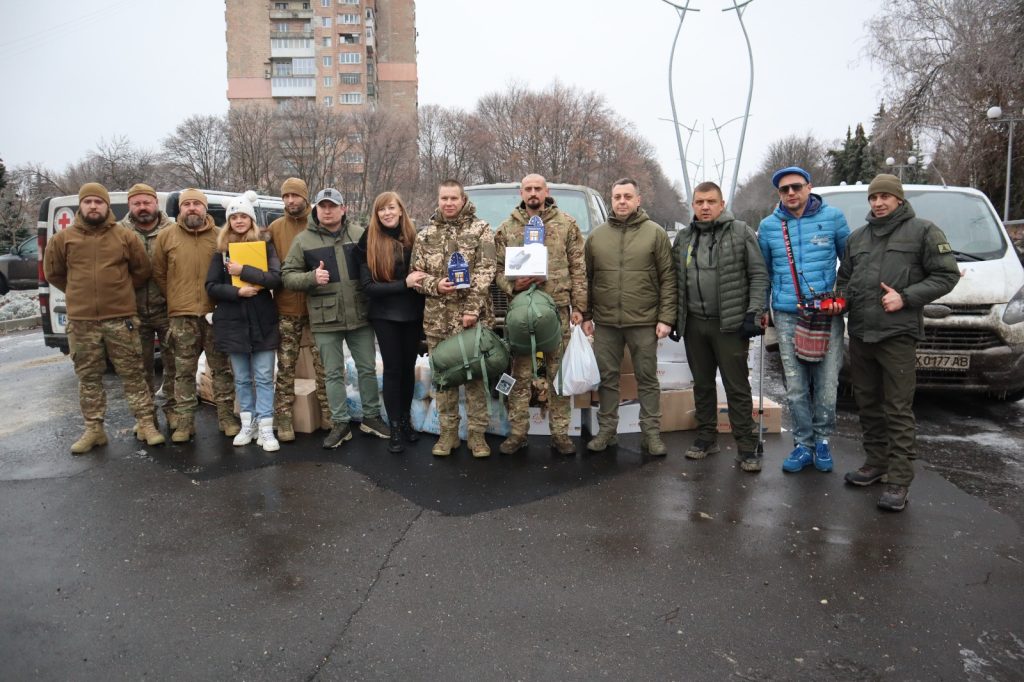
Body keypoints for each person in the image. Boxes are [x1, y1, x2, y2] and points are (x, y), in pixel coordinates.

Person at [838, 174, 959, 511]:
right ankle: (876, 464)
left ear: (899, 199)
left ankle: (899, 480)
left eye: (885, 197)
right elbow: (845, 278)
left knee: (898, 408)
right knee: (867, 402)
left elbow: (947, 275)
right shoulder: (858, 237)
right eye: (873, 197)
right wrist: (839, 300)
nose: (878, 203)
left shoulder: (923, 231)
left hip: (897, 336)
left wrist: (905, 298)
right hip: (861, 334)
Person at [42, 182, 164, 452]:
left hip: (121, 319)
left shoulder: (124, 236)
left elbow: (141, 271)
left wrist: (117, 291)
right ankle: (94, 430)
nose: (93, 206)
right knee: (88, 377)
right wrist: (79, 292)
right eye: (88, 202)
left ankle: (146, 423)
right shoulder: (63, 239)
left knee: (133, 374)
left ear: (107, 206)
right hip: (82, 322)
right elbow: (54, 274)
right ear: (81, 206)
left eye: (99, 202)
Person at [281, 187, 389, 449]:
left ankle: (371, 417)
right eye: (322, 206)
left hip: (360, 315)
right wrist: (310, 278)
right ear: (316, 209)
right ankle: (340, 423)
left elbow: (376, 265)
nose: (327, 211)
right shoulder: (303, 240)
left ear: (344, 208)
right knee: (332, 373)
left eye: (332, 206)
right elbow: (287, 275)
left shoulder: (360, 234)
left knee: (366, 368)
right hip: (325, 318)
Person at [757, 166, 850, 473]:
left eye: (796, 187)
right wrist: (762, 309)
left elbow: (850, 264)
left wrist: (843, 298)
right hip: (786, 314)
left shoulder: (833, 219)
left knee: (826, 383)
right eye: (785, 190)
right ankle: (803, 444)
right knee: (796, 386)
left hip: (825, 315)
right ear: (779, 195)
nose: (791, 193)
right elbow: (764, 274)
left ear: (809, 187)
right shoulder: (769, 226)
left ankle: (822, 441)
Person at [672, 181, 769, 472]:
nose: (705, 207)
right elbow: (674, 280)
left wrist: (754, 312)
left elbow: (758, 274)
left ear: (721, 204)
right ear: (693, 205)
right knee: (701, 385)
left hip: (729, 325)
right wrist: (674, 317)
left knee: (736, 387)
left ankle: (747, 446)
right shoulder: (684, 238)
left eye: (710, 201)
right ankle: (706, 437)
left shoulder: (740, 232)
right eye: (699, 202)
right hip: (694, 325)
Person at [582, 178, 676, 456]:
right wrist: (587, 314)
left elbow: (668, 279)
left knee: (647, 379)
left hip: (644, 322)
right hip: (607, 323)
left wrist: (666, 317)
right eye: (617, 197)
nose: (622, 201)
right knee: (607, 379)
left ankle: (651, 434)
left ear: (638, 200)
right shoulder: (597, 237)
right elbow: (586, 279)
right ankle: (607, 431)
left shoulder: (655, 233)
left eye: (627, 196)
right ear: (611, 201)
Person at [495, 174, 587, 455]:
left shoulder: (566, 224)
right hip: (522, 311)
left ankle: (560, 433)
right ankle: (518, 433)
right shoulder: (507, 228)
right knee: (520, 374)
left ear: (547, 191)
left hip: (557, 310)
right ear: (521, 192)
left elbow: (579, 268)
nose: (533, 193)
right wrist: (512, 285)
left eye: (538, 188)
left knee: (557, 373)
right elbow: (496, 270)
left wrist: (580, 307)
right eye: (528, 189)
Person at [408, 179, 497, 458]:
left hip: (473, 319)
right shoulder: (425, 235)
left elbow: (486, 272)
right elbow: (414, 276)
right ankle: (448, 434)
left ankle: (477, 435)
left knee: (475, 378)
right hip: (437, 321)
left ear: (463, 200)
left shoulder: (480, 230)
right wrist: (435, 286)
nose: (448, 203)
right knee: (444, 379)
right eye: (444, 198)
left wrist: (471, 309)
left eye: (453, 199)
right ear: (438, 199)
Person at [152, 188, 238, 443]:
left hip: (215, 314)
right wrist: (177, 297)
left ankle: (226, 418)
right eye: (186, 204)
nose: (192, 208)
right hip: (182, 315)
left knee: (221, 369)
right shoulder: (167, 237)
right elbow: (159, 273)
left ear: (204, 208)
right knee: (183, 371)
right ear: (180, 209)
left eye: (196, 204)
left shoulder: (220, 236)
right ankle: (185, 422)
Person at [205, 192, 282, 452]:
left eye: (243, 217)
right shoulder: (221, 252)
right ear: (229, 222)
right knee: (241, 378)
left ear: (251, 220)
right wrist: (237, 291)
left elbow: (274, 278)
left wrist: (243, 272)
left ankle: (265, 427)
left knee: (262, 376)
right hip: (233, 323)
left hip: (262, 320)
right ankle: (247, 424)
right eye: (234, 217)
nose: (239, 221)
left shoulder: (265, 246)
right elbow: (211, 286)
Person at [356, 191, 426, 453]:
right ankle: (394, 425)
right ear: (377, 214)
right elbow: (368, 287)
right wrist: (404, 284)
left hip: (412, 313)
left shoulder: (414, 237)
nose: (387, 213)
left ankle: (406, 420)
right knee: (393, 369)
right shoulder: (369, 240)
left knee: (408, 368)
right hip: (385, 314)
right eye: (381, 209)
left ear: (400, 210)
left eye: (391, 208)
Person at [267, 178, 332, 442]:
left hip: (318, 307)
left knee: (325, 365)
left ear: (306, 198)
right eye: (286, 196)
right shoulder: (274, 228)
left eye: (295, 196)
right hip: (286, 308)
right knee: (286, 367)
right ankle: (283, 419)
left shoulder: (318, 226)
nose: (290, 201)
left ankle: (329, 414)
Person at [118, 182, 178, 432]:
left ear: (156, 203)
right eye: (137, 203)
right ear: (130, 206)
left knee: (174, 363)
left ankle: (174, 412)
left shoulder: (174, 229)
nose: (142, 207)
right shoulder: (118, 232)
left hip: (168, 308)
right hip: (133, 312)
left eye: (147, 202)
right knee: (139, 368)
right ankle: (145, 418)